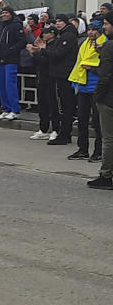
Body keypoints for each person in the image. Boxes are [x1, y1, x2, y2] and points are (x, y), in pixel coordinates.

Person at [66, 20, 106, 162]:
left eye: (94, 29)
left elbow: (107, 67)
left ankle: (99, 151)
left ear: (100, 30)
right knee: (82, 119)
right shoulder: (85, 43)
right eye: (89, 29)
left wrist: (93, 69)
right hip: (83, 84)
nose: (90, 32)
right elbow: (79, 62)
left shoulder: (105, 44)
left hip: (96, 86)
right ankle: (82, 149)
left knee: (97, 121)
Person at [45, 14, 81, 146]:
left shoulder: (68, 36)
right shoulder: (63, 35)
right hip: (60, 73)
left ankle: (65, 134)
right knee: (65, 105)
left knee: (65, 105)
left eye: (60, 21)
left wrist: (45, 50)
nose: (58, 23)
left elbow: (59, 54)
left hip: (63, 74)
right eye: (56, 21)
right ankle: (64, 133)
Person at [87, 12, 113, 189]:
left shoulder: (110, 46)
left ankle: (106, 175)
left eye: (105, 23)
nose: (103, 27)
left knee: (108, 139)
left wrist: (98, 95)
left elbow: (105, 75)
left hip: (109, 99)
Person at [28, 26, 61, 141]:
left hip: (51, 77)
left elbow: (48, 59)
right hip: (41, 77)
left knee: (53, 104)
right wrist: (33, 52)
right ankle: (43, 128)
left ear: (52, 33)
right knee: (42, 105)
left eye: (45, 33)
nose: (43, 35)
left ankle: (56, 129)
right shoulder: (43, 46)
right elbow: (38, 61)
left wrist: (40, 51)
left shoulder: (55, 44)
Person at [0, 7, 26, 120]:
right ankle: (6, 108)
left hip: (11, 60)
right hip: (0, 59)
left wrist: (12, 50)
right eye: (2, 13)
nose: (4, 15)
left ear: (11, 14)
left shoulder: (16, 25)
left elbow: (22, 41)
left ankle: (15, 109)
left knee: (10, 84)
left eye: (6, 12)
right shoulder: (1, 26)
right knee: (1, 85)